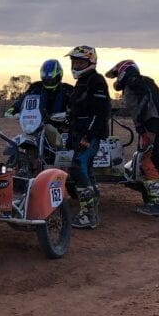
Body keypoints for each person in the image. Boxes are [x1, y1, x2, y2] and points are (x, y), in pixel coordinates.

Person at [105, 60, 159, 217]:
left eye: (117, 75)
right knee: (147, 160)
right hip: (157, 122)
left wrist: (141, 122)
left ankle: (156, 204)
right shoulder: (141, 81)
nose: (116, 79)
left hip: (151, 123)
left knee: (148, 161)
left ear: (124, 71)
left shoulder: (134, 81)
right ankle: (152, 197)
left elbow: (144, 99)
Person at [65, 45, 110, 229]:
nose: (76, 65)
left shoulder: (96, 81)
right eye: (74, 61)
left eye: (80, 61)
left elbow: (100, 113)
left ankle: (88, 214)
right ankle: (93, 206)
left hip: (89, 134)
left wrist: (88, 136)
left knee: (77, 168)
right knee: (86, 169)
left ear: (90, 62)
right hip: (79, 131)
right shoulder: (82, 81)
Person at [6, 59, 74, 149]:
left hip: (60, 124)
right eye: (46, 80)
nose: (49, 82)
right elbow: (24, 99)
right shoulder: (35, 87)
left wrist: (69, 115)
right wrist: (13, 109)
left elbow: (77, 105)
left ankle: (62, 150)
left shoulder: (67, 89)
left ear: (59, 76)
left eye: (52, 79)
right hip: (36, 123)